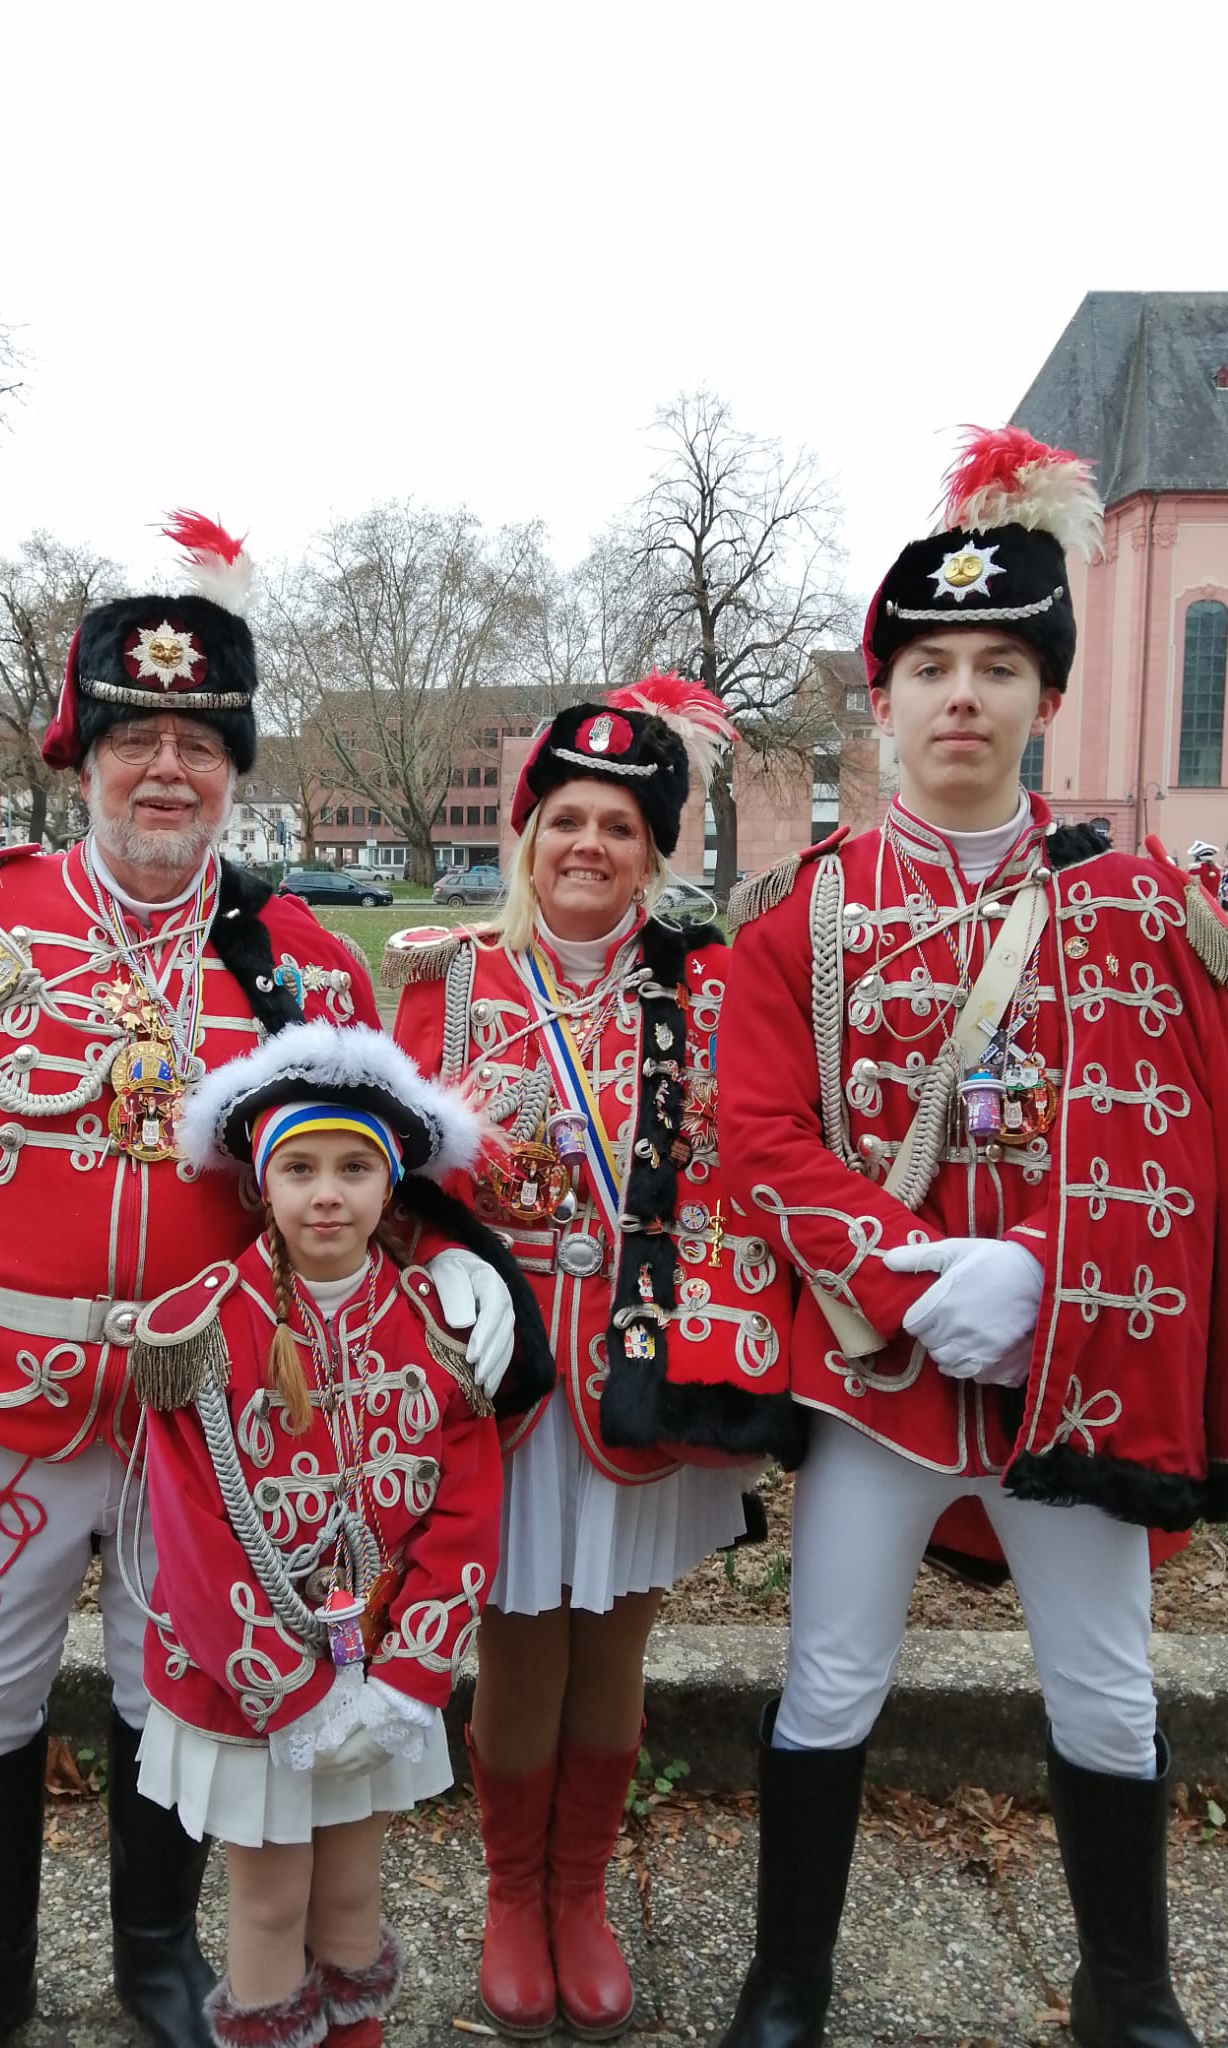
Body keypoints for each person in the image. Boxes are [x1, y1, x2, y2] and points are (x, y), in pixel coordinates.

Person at [0, 511, 521, 2048]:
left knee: (185, 1696)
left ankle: (156, 1951)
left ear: (233, 769)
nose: (168, 772)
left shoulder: (298, 963)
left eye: (201, 744)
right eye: (137, 736)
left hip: (214, 1424)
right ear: (82, 754)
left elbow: (375, 1183)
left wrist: (457, 1272)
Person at [714, 427, 1228, 2048]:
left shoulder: (1143, 907)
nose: (960, 694)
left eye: (998, 664)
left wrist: (1050, 1281)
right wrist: (907, 1272)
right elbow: (758, 1132)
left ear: (1045, 698)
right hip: (880, 1371)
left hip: (1074, 1377)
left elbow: (1190, 1142)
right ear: (882, 695)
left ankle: (1127, 1988)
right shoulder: (813, 907)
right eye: (928, 662)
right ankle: (786, 1979)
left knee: (1103, 1686)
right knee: (832, 1675)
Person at [389, 676, 801, 2042]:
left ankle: (583, 1894)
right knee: (515, 1642)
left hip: (641, 1367)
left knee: (616, 1639)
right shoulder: (450, 988)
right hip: (500, 1378)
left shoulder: (711, 989)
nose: (588, 846)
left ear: (657, 850)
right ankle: (514, 1895)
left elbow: (753, 1164)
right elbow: (388, 1182)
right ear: (525, 836)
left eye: (620, 826)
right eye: (564, 817)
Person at [126, 1021, 509, 2048]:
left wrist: (406, 1679)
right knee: (265, 1906)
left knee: (350, 1900)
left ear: (392, 1189)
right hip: (251, 1689)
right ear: (262, 1184)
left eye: (353, 1167)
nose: (326, 1193)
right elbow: (196, 1547)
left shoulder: (435, 1325)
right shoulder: (200, 1331)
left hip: (382, 1678)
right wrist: (293, 1697)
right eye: (298, 1166)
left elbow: (466, 1514)